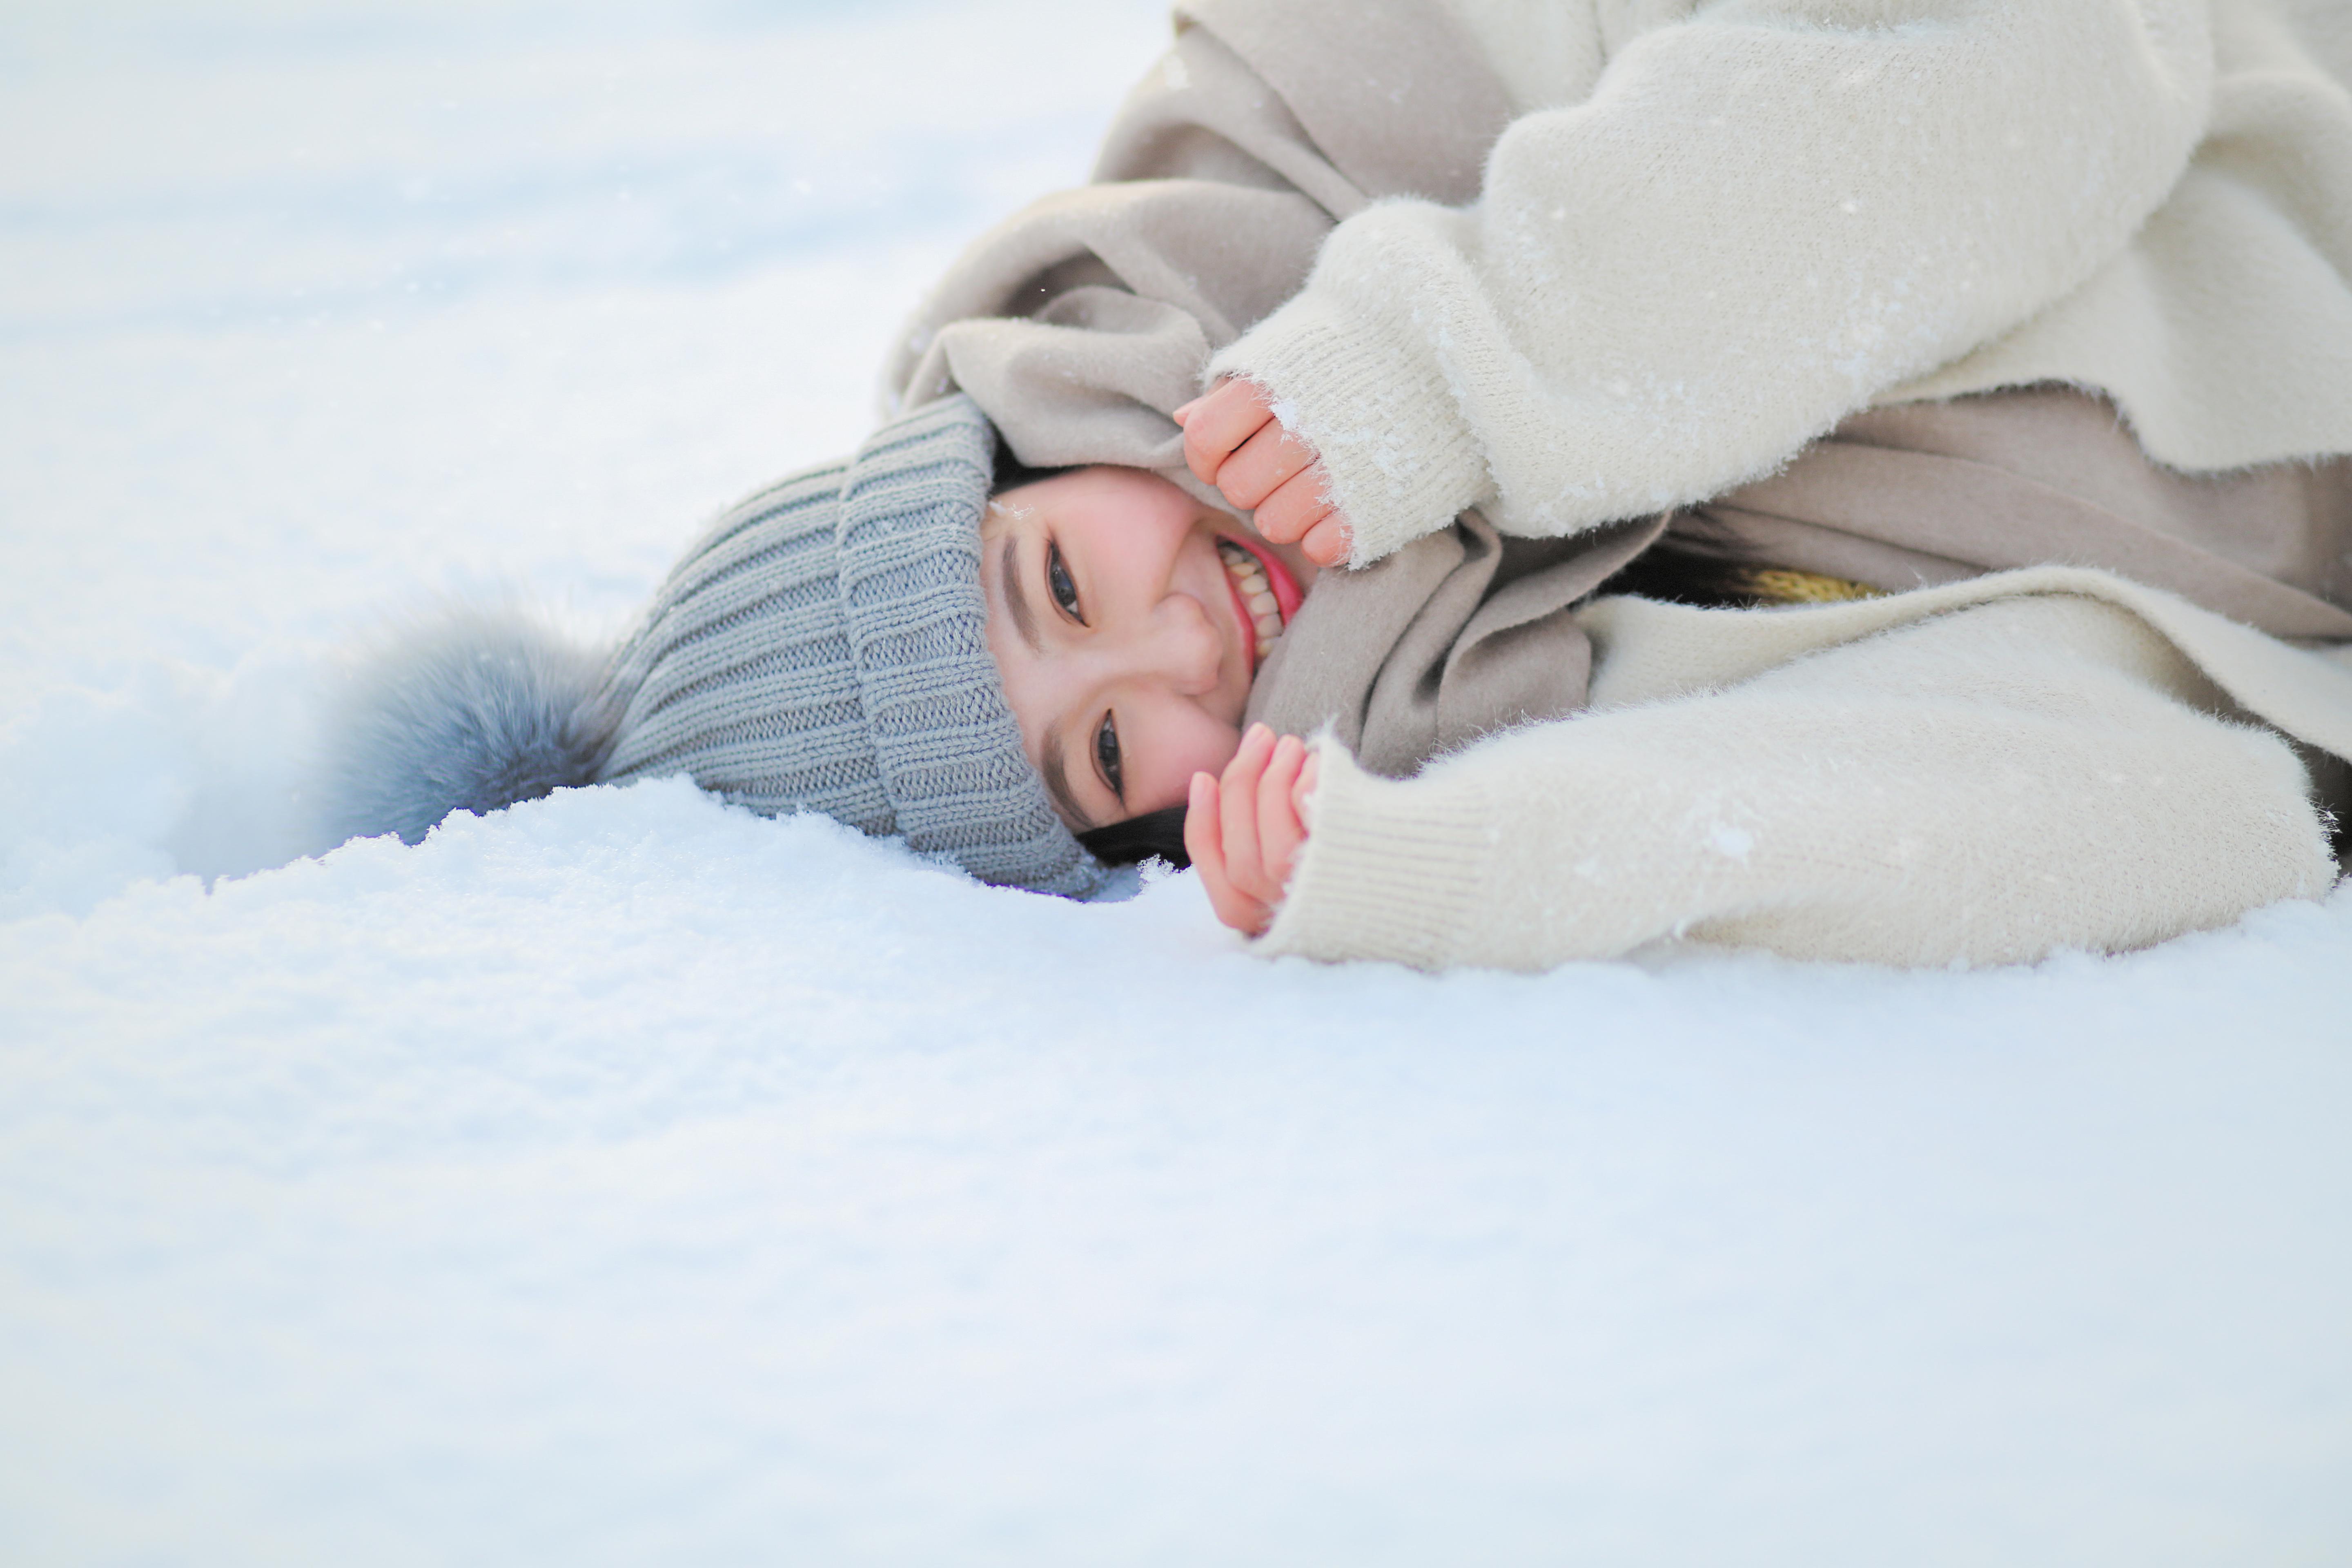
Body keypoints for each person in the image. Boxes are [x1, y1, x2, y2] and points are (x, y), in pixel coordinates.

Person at [325, 0, 2352, 969]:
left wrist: (1464, 360)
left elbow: (2065, 48)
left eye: (1056, 585)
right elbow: (2183, 806)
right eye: (1112, 752)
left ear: (1019, 446)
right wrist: (1465, 875)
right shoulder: (1460, 726)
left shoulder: (1327, 101)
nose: (1188, 637)